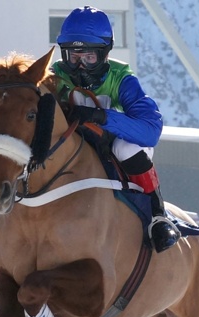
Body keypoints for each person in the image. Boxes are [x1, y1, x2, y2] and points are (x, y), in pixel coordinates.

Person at [52, 6, 178, 252]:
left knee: (127, 147)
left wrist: (101, 116)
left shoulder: (122, 79)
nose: (80, 66)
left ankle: (157, 215)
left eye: (89, 58)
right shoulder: (52, 76)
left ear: (105, 53)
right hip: (69, 146)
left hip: (110, 144)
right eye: (73, 57)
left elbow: (150, 131)